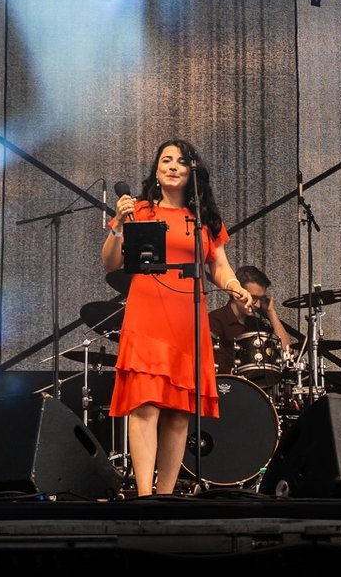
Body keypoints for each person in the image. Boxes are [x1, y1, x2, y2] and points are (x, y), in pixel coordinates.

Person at [101, 139, 251, 496]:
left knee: (179, 413)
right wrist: (118, 225)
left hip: (187, 319)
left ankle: (166, 497)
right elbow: (110, 262)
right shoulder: (139, 211)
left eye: (181, 161)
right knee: (145, 405)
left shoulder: (204, 220)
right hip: (147, 315)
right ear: (156, 169)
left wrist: (234, 286)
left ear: (191, 171)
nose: (172, 166)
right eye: (166, 160)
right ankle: (144, 496)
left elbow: (219, 266)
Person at [209, 264, 293, 377]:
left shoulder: (257, 323)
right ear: (236, 294)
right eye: (253, 298)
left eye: (261, 299)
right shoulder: (215, 320)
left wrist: (271, 312)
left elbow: (286, 351)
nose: (257, 305)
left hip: (257, 385)